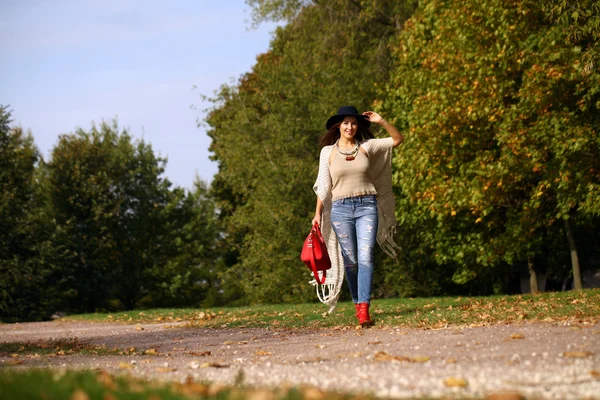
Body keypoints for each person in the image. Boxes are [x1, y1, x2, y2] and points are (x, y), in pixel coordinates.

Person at [312, 106, 403, 326]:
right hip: (340, 209)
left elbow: (397, 139)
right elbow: (324, 187)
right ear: (338, 126)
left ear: (357, 126)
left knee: (365, 258)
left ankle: (364, 309)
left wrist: (381, 121)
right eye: (345, 123)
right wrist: (317, 215)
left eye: (353, 123)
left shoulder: (367, 147)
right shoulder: (328, 152)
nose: (349, 127)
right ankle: (356, 302)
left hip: (366, 207)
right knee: (351, 262)